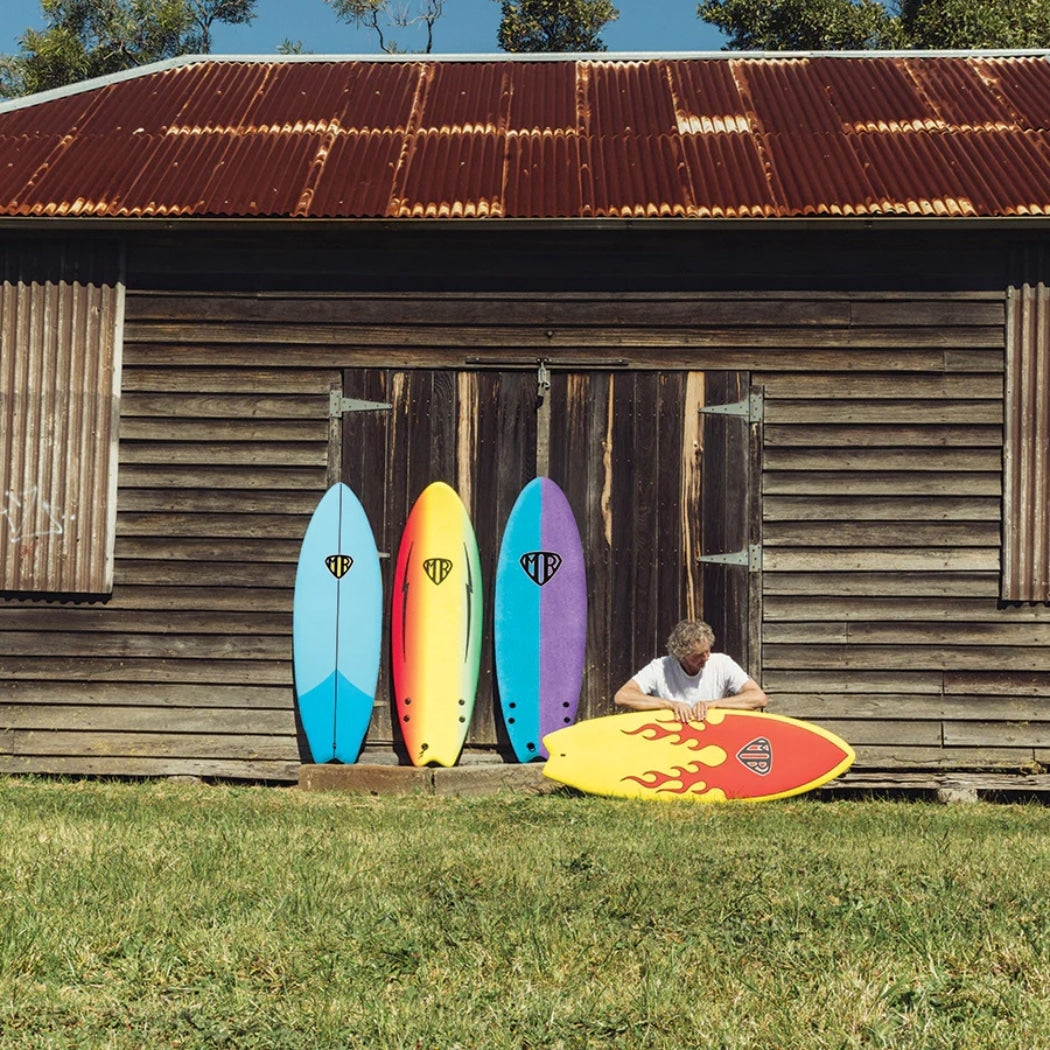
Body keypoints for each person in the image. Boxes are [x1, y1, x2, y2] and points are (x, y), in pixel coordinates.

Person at [614, 619, 768, 723]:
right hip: (669, 739)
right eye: (698, 655)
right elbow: (622, 696)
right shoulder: (660, 667)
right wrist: (669, 705)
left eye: (708, 651)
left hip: (711, 736)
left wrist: (714, 704)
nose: (706, 657)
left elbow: (758, 698)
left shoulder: (722, 663)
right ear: (681, 656)